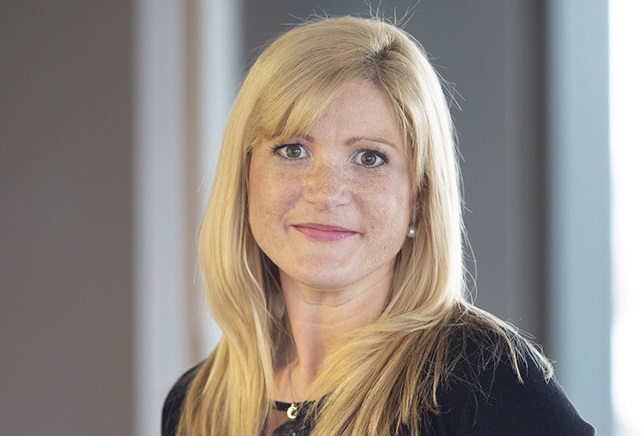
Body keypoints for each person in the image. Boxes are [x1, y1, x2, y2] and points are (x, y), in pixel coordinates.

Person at [162, 15, 594, 436]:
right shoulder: (197, 404)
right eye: (293, 150)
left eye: (369, 158)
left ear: (419, 197)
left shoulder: (483, 380)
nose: (325, 192)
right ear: (245, 176)